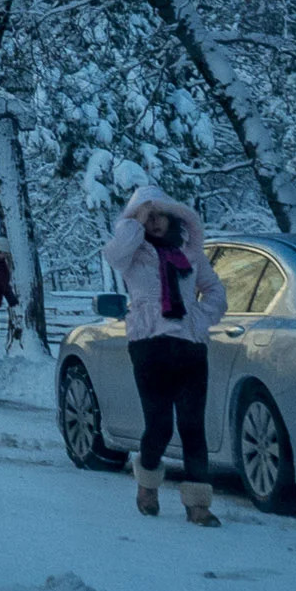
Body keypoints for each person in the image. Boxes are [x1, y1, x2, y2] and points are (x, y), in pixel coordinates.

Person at [104, 188, 225, 525]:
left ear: (174, 217)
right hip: (149, 345)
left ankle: (198, 505)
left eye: (160, 215)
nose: (155, 222)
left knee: (192, 426)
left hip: (189, 345)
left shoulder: (190, 254)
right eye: (148, 217)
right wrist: (134, 220)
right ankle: (148, 485)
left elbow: (215, 291)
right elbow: (113, 255)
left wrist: (200, 318)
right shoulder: (133, 253)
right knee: (159, 425)